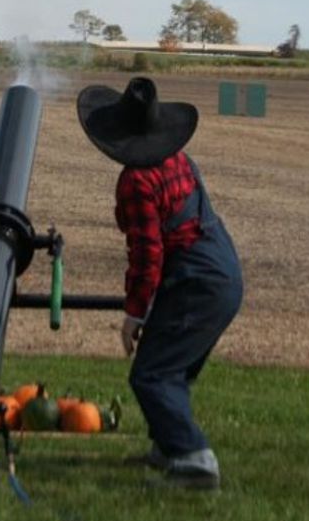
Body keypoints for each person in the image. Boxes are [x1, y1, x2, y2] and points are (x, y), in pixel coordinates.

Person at [77, 76, 243, 490]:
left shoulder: (136, 182)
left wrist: (134, 313)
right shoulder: (180, 160)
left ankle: (195, 461)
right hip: (221, 273)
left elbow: (148, 255)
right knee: (173, 369)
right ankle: (166, 449)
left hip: (197, 281)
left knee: (151, 375)